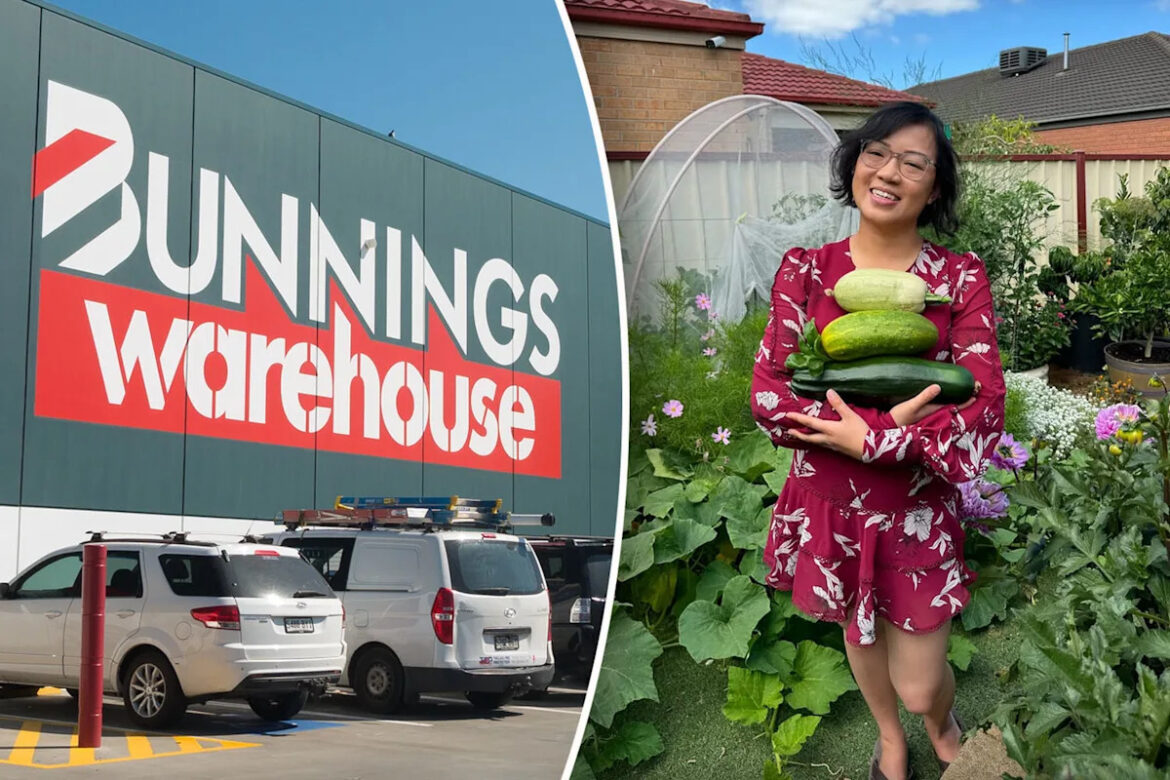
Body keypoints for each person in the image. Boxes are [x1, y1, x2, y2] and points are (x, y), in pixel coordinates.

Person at [749, 101, 1005, 780]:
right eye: (876, 152)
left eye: (913, 162)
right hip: (830, 504)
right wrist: (883, 430)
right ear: (855, 163)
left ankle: (937, 719)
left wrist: (881, 439)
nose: (888, 172)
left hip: (915, 511)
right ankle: (890, 737)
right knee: (857, 630)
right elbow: (771, 396)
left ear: (936, 187)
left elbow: (983, 408)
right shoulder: (807, 272)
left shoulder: (958, 279)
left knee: (920, 683)